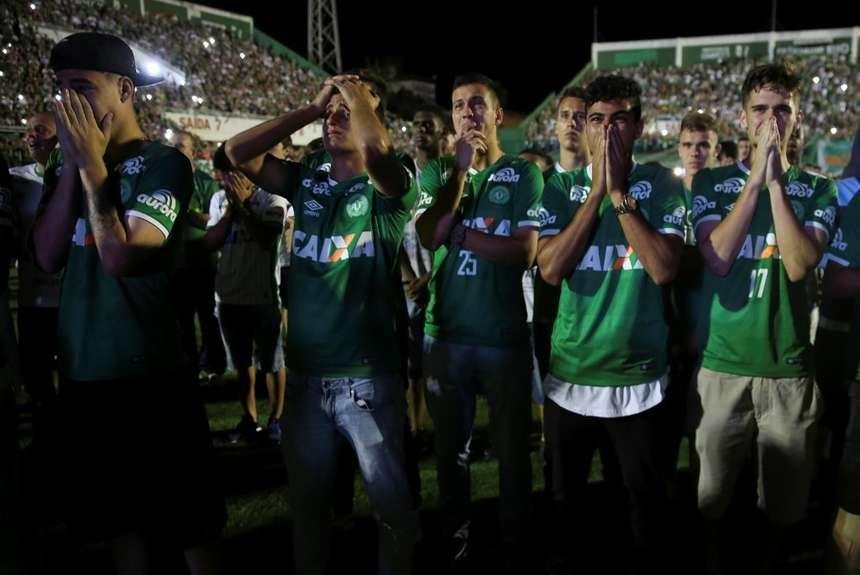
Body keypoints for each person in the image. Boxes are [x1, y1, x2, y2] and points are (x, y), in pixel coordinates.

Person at [31, 32, 225, 573]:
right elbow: (47, 255)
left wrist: (92, 167)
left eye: (82, 88)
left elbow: (123, 257)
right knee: (120, 526)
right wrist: (73, 165)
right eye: (60, 89)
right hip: (87, 374)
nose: (68, 103)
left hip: (152, 373)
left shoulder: (162, 163)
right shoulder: (63, 165)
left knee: (191, 526)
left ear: (124, 88)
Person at [225, 72, 418, 575]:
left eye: (351, 108)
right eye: (333, 108)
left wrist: (357, 95)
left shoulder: (391, 186)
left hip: (368, 379)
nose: (339, 114)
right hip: (307, 381)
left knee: (393, 511)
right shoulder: (306, 176)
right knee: (308, 513)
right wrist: (312, 109)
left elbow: (377, 152)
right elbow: (235, 154)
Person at [690, 62, 837, 572]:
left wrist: (776, 185)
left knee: (781, 507)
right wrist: (754, 180)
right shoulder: (710, 181)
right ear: (742, 117)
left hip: (789, 368)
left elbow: (798, 265)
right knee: (712, 500)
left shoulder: (818, 189)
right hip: (723, 366)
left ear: (797, 119)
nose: (771, 121)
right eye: (760, 110)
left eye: (782, 111)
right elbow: (719, 256)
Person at [536, 75, 685, 574]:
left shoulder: (663, 184)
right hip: (570, 381)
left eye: (618, 117)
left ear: (638, 125)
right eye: (596, 119)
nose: (606, 129)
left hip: (639, 381)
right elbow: (551, 268)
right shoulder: (560, 186)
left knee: (644, 520)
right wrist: (597, 190)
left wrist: (618, 194)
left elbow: (664, 267)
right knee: (565, 515)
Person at [415, 73, 542, 570]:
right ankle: (456, 540)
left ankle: (515, 541)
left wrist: (461, 236)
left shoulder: (523, 174)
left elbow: (523, 253)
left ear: (496, 116)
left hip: (503, 338)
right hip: (444, 337)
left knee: (512, 454)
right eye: (458, 105)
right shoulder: (439, 174)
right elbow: (429, 234)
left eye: (476, 104)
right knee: (452, 455)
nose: (467, 112)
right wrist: (460, 175)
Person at [202, 146, 288, 443]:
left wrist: (246, 206)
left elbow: (267, 238)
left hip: (263, 295)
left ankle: (277, 417)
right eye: (225, 173)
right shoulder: (218, 200)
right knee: (241, 365)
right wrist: (231, 210)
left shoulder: (272, 199)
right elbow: (210, 242)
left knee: (272, 363)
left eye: (234, 171)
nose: (228, 178)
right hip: (228, 297)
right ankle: (249, 417)